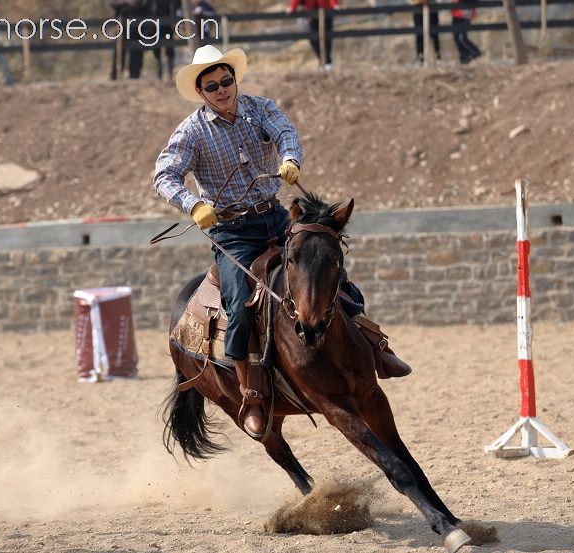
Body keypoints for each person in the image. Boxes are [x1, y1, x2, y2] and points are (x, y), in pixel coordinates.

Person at [153, 46, 411, 440]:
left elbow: (285, 132)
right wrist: (193, 204)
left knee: (327, 272)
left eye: (227, 81)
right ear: (201, 92)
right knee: (238, 303)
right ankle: (252, 394)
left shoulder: (260, 108)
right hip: (233, 232)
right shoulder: (191, 131)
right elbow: (165, 175)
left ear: (234, 80)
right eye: (212, 86)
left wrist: (290, 158)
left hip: (274, 216)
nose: (222, 89)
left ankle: (375, 346)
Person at [287, 0, 338, 70]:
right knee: (314, 39)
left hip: (326, 11)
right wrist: (292, 7)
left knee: (327, 38)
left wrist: (334, 4)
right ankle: (326, 62)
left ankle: (326, 63)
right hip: (312, 13)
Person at [110, 0, 152, 80]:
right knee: (119, 50)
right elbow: (112, 3)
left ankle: (134, 75)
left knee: (136, 50)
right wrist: (126, 2)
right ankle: (116, 75)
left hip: (138, 21)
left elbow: (146, 5)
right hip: (122, 21)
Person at [411, 0, 441, 64]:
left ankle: (437, 57)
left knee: (434, 35)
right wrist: (417, 1)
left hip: (432, 9)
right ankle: (420, 58)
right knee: (419, 35)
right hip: (418, 10)